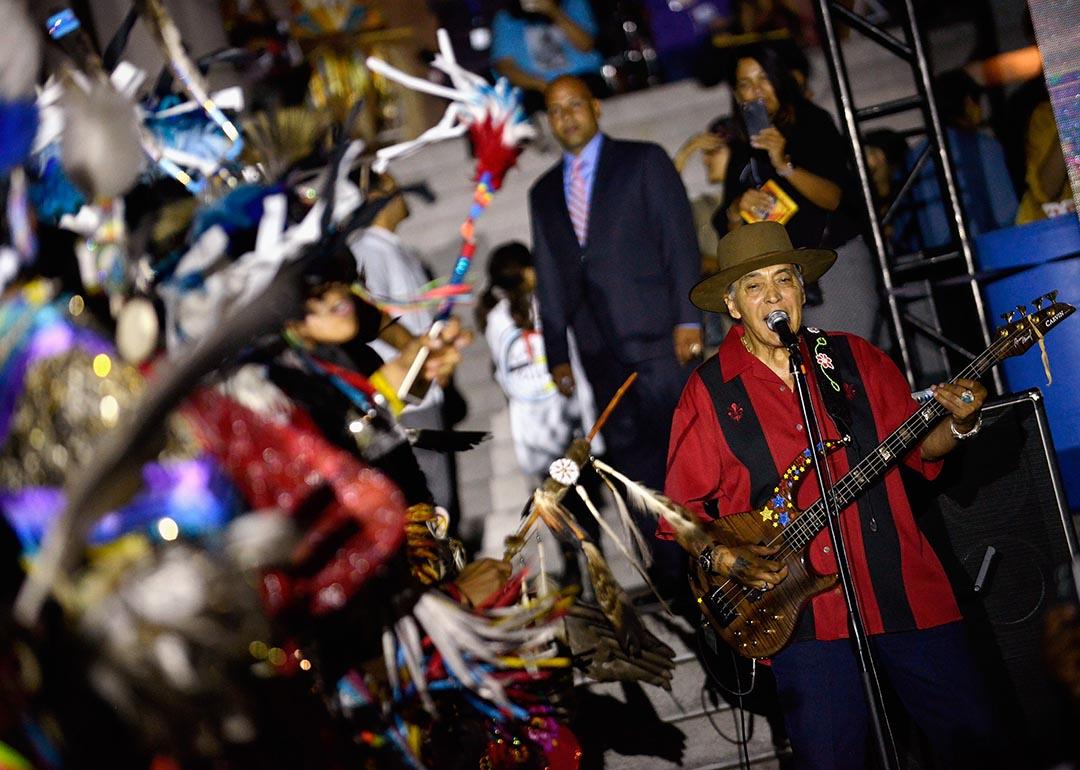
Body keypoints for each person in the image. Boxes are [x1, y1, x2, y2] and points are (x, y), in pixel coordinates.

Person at [662, 221, 997, 769]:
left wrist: (960, 423)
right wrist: (724, 557)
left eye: (783, 280)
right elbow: (679, 512)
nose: (773, 296)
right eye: (755, 286)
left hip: (904, 589)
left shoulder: (855, 358)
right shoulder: (709, 391)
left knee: (975, 746)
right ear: (733, 304)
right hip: (798, 617)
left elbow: (921, 448)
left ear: (801, 289)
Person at [529, 75, 702, 582]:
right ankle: (671, 578)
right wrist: (557, 353)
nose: (566, 117)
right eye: (555, 110)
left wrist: (689, 316)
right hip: (599, 353)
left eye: (574, 105)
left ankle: (717, 565)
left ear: (596, 107)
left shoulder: (643, 160)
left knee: (688, 455)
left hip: (661, 340)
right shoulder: (543, 193)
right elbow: (549, 277)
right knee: (633, 473)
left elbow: (679, 241)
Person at [715, 45, 880, 344]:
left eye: (764, 78)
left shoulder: (812, 123)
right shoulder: (741, 147)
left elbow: (835, 198)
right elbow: (729, 229)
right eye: (745, 84)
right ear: (737, 94)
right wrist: (736, 209)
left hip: (832, 264)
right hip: (777, 279)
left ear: (780, 79)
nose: (756, 90)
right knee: (802, 364)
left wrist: (784, 165)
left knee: (842, 357)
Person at [349, 172, 465, 515]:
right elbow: (369, 313)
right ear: (375, 197)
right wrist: (416, 348)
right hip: (406, 401)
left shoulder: (394, 249)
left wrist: (439, 342)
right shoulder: (367, 250)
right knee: (433, 510)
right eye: (393, 187)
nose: (402, 193)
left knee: (443, 505)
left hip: (424, 393)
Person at [905, 69, 1017, 250]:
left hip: (934, 258)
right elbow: (1006, 212)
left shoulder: (915, 156)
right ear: (968, 102)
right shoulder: (984, 147)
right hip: (987, 251)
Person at [490, 0, 606, 114]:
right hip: (538, 90)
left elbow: (586, 45)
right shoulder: (506, 18)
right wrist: (544, 86)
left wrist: (554, 12)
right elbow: (505, 67)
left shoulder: (573, 3)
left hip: (583, 80)